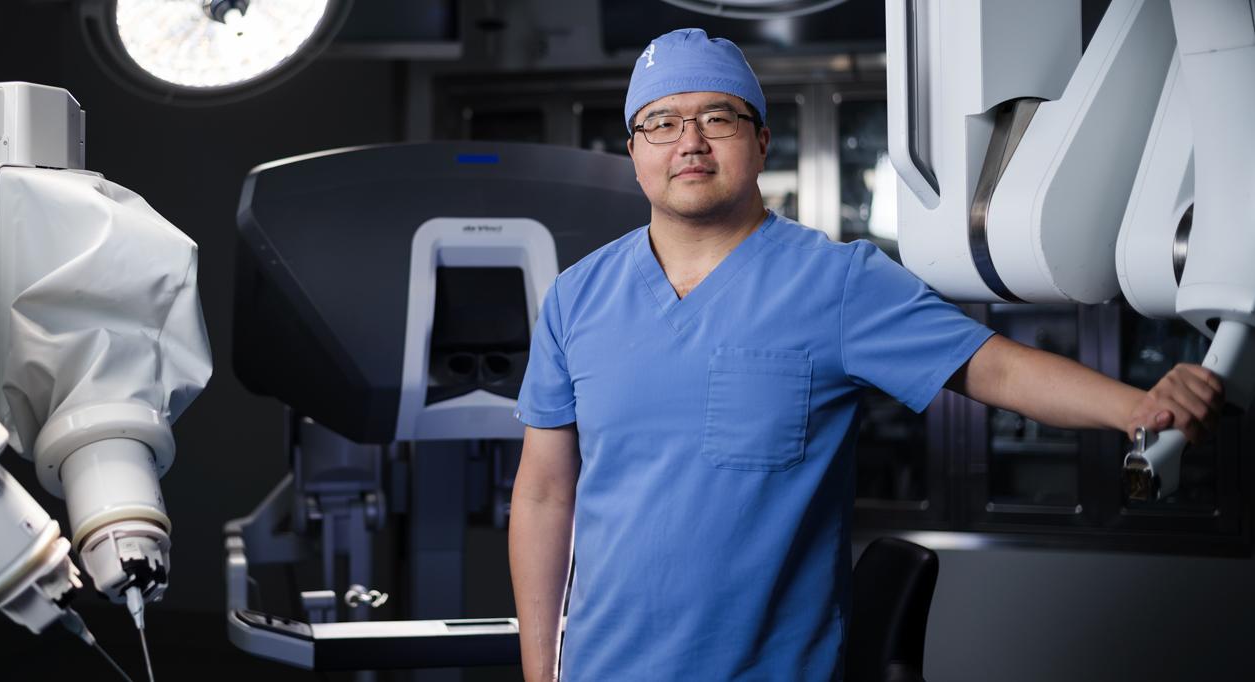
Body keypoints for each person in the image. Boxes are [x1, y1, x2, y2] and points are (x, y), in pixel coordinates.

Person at [507, 28, 1224, 681]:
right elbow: (543, 495)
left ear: (761, 142)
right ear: (633, 151)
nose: (689, 141)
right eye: (661, 122)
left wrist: (1137, 406)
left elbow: (994, 365)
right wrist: (542, 673)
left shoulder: (837, 284)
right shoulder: (577, 298)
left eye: (717, 118)